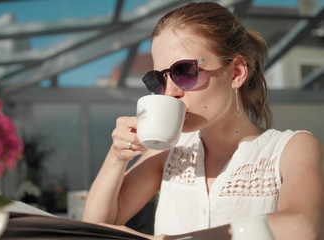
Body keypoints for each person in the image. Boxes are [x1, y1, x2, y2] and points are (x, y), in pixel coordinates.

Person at [82, 2, 324, 240]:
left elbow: (302, 227)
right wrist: (117, 157)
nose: (169, 92)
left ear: (237, 72)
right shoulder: (171, 150)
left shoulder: (291, 148)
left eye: (184, 71)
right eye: (159, 79)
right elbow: (95, 226)